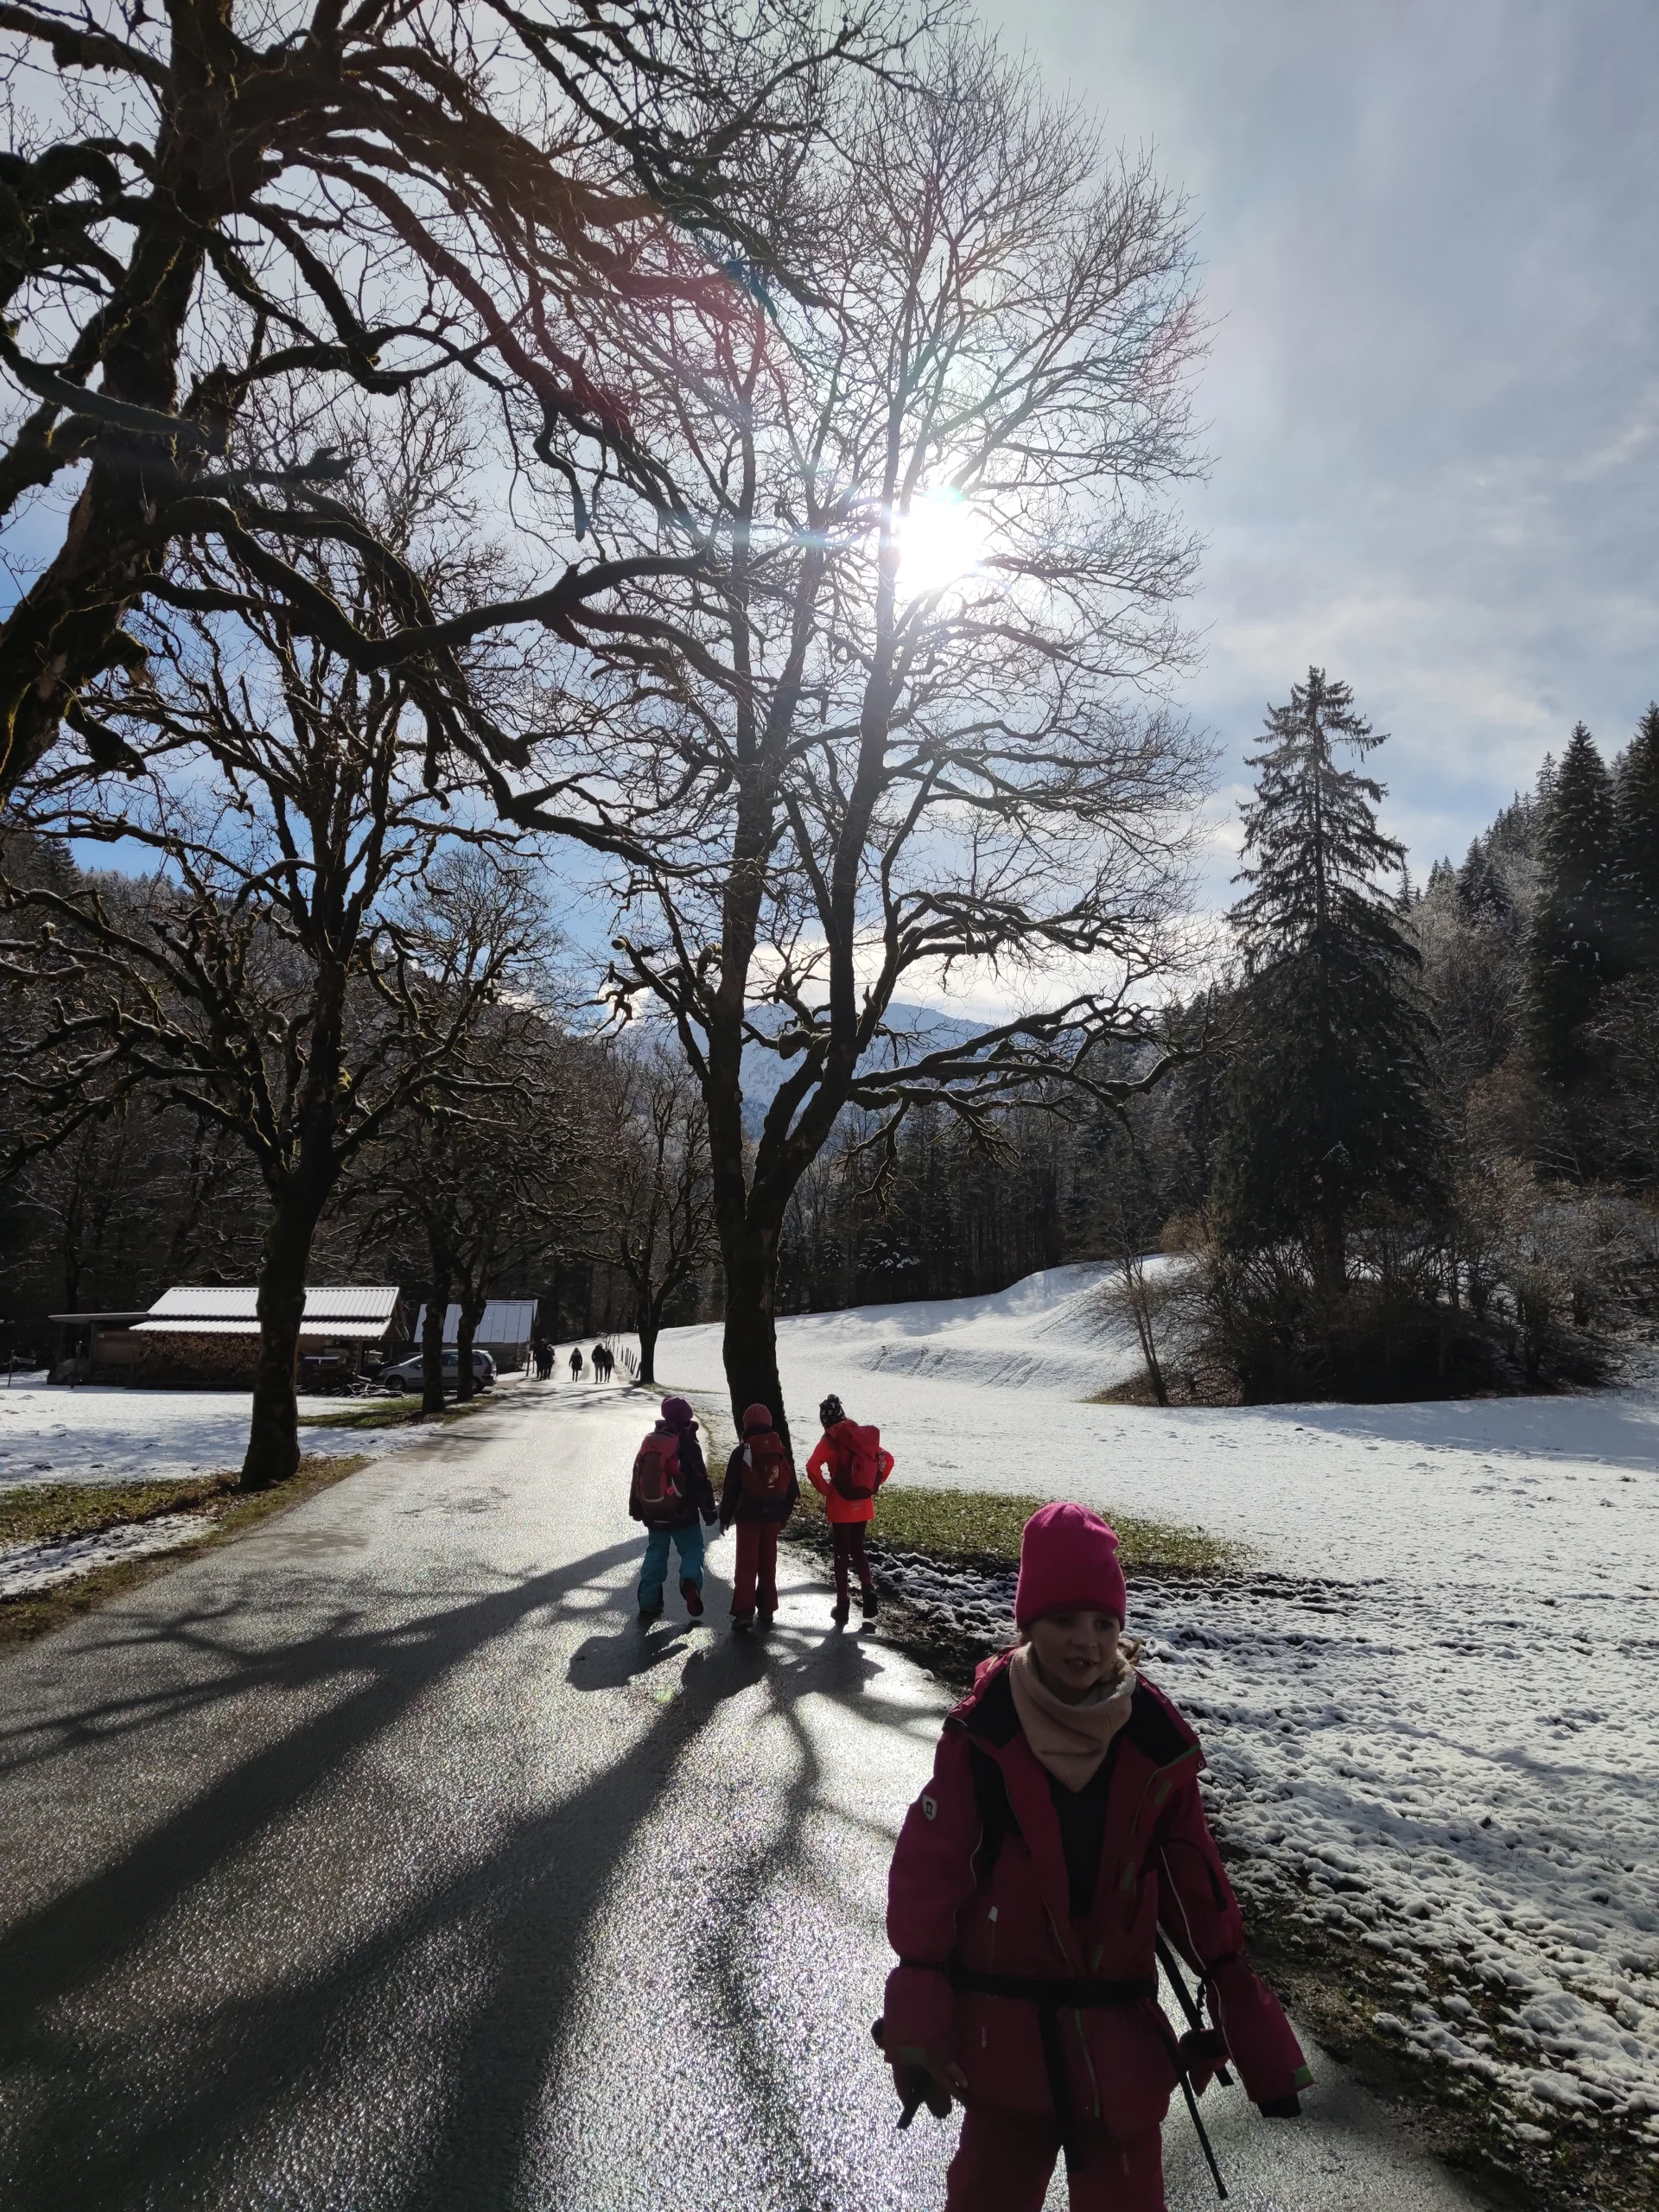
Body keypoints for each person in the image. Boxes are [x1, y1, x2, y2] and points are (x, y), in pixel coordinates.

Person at [879, 1503, 1309, 2211]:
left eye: (1104, 1623)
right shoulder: (984, 1735)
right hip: (1005, 2043)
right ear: (1028, 1626)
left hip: (1120, 2055)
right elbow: (931, 1875)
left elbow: (1195, 1886)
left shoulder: (1153, 1742)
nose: (1086, 1641)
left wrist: (1253, 2027)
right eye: (1064, 1621)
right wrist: (919, 2016)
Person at [630, 1394, 717, 1624]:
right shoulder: (688, 1443)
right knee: (692, 1548)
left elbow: (637, 1475)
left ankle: (648, 1602)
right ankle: (690, 1581)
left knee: (656, 1552)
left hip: (654, 1512)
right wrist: (709, 1511)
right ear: (687, 1416)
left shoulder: (652, 1441)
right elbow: (700, 1479)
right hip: (684, 1514)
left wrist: (637, 1507)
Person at [805, 1393, 893, 1624]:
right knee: (857, 1548)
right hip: (863, 1503)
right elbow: (888, 1459)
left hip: (840, 1504)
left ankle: (842, 1604)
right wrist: (873, 1484)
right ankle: (868, 1587)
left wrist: (826, 1489)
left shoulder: (830, 1439)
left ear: (824, 1419)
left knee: (841, 1553)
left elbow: (812, 1467)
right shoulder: (861, 1436)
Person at [719, 1402, 799, 1634]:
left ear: (746, 1425)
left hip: (748, 1516)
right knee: (768, 1562)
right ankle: (767, 1608)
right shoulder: (781, 1451)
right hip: (773, 1516)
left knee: (746, 1563)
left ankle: (744, 1612)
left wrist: (724, 1516)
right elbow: (792, 1488)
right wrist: (784, 1515)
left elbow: (731, 1488)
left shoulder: (741, 1452)